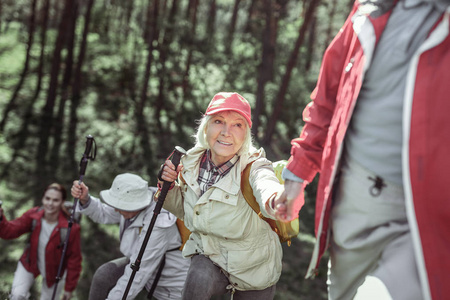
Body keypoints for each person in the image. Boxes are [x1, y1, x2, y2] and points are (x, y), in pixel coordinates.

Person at [274, 1, 450, 300]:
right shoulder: (369, 7)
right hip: (353, 202)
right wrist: (297, 174)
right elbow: (328, 98)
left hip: (428, 216)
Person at [158, 92, 284, 300]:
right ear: (206, 126)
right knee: (199, 275)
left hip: (254, 272)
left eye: (237, 125)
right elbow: (187, 211)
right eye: (219, 121)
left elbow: (265, 182)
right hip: (210, 259)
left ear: (246, 134)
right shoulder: (189, 163)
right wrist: (168, 187)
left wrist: (275, 198)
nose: (226, 132)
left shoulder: (254, 166)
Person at [71, 173, 190, 300]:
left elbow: (137, 273)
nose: (116, 210)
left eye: (120, 206)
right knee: (104, 274)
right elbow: (105, 213)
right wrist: (86, 200)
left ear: (135, 205)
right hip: (149, 278)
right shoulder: (131, 205)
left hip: (170, 290)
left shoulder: (159, 223)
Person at [0, 183, 82, 300]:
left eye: (55, 200)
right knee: (17, 295)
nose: (50, 203)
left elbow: (74, 260)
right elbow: (10, 231)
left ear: (62, 202)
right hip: (30, 263)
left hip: (55, 272)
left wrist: (69, 289)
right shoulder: (34, 216)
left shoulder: (71, 228)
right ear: (43, 198)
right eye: (47, 198)